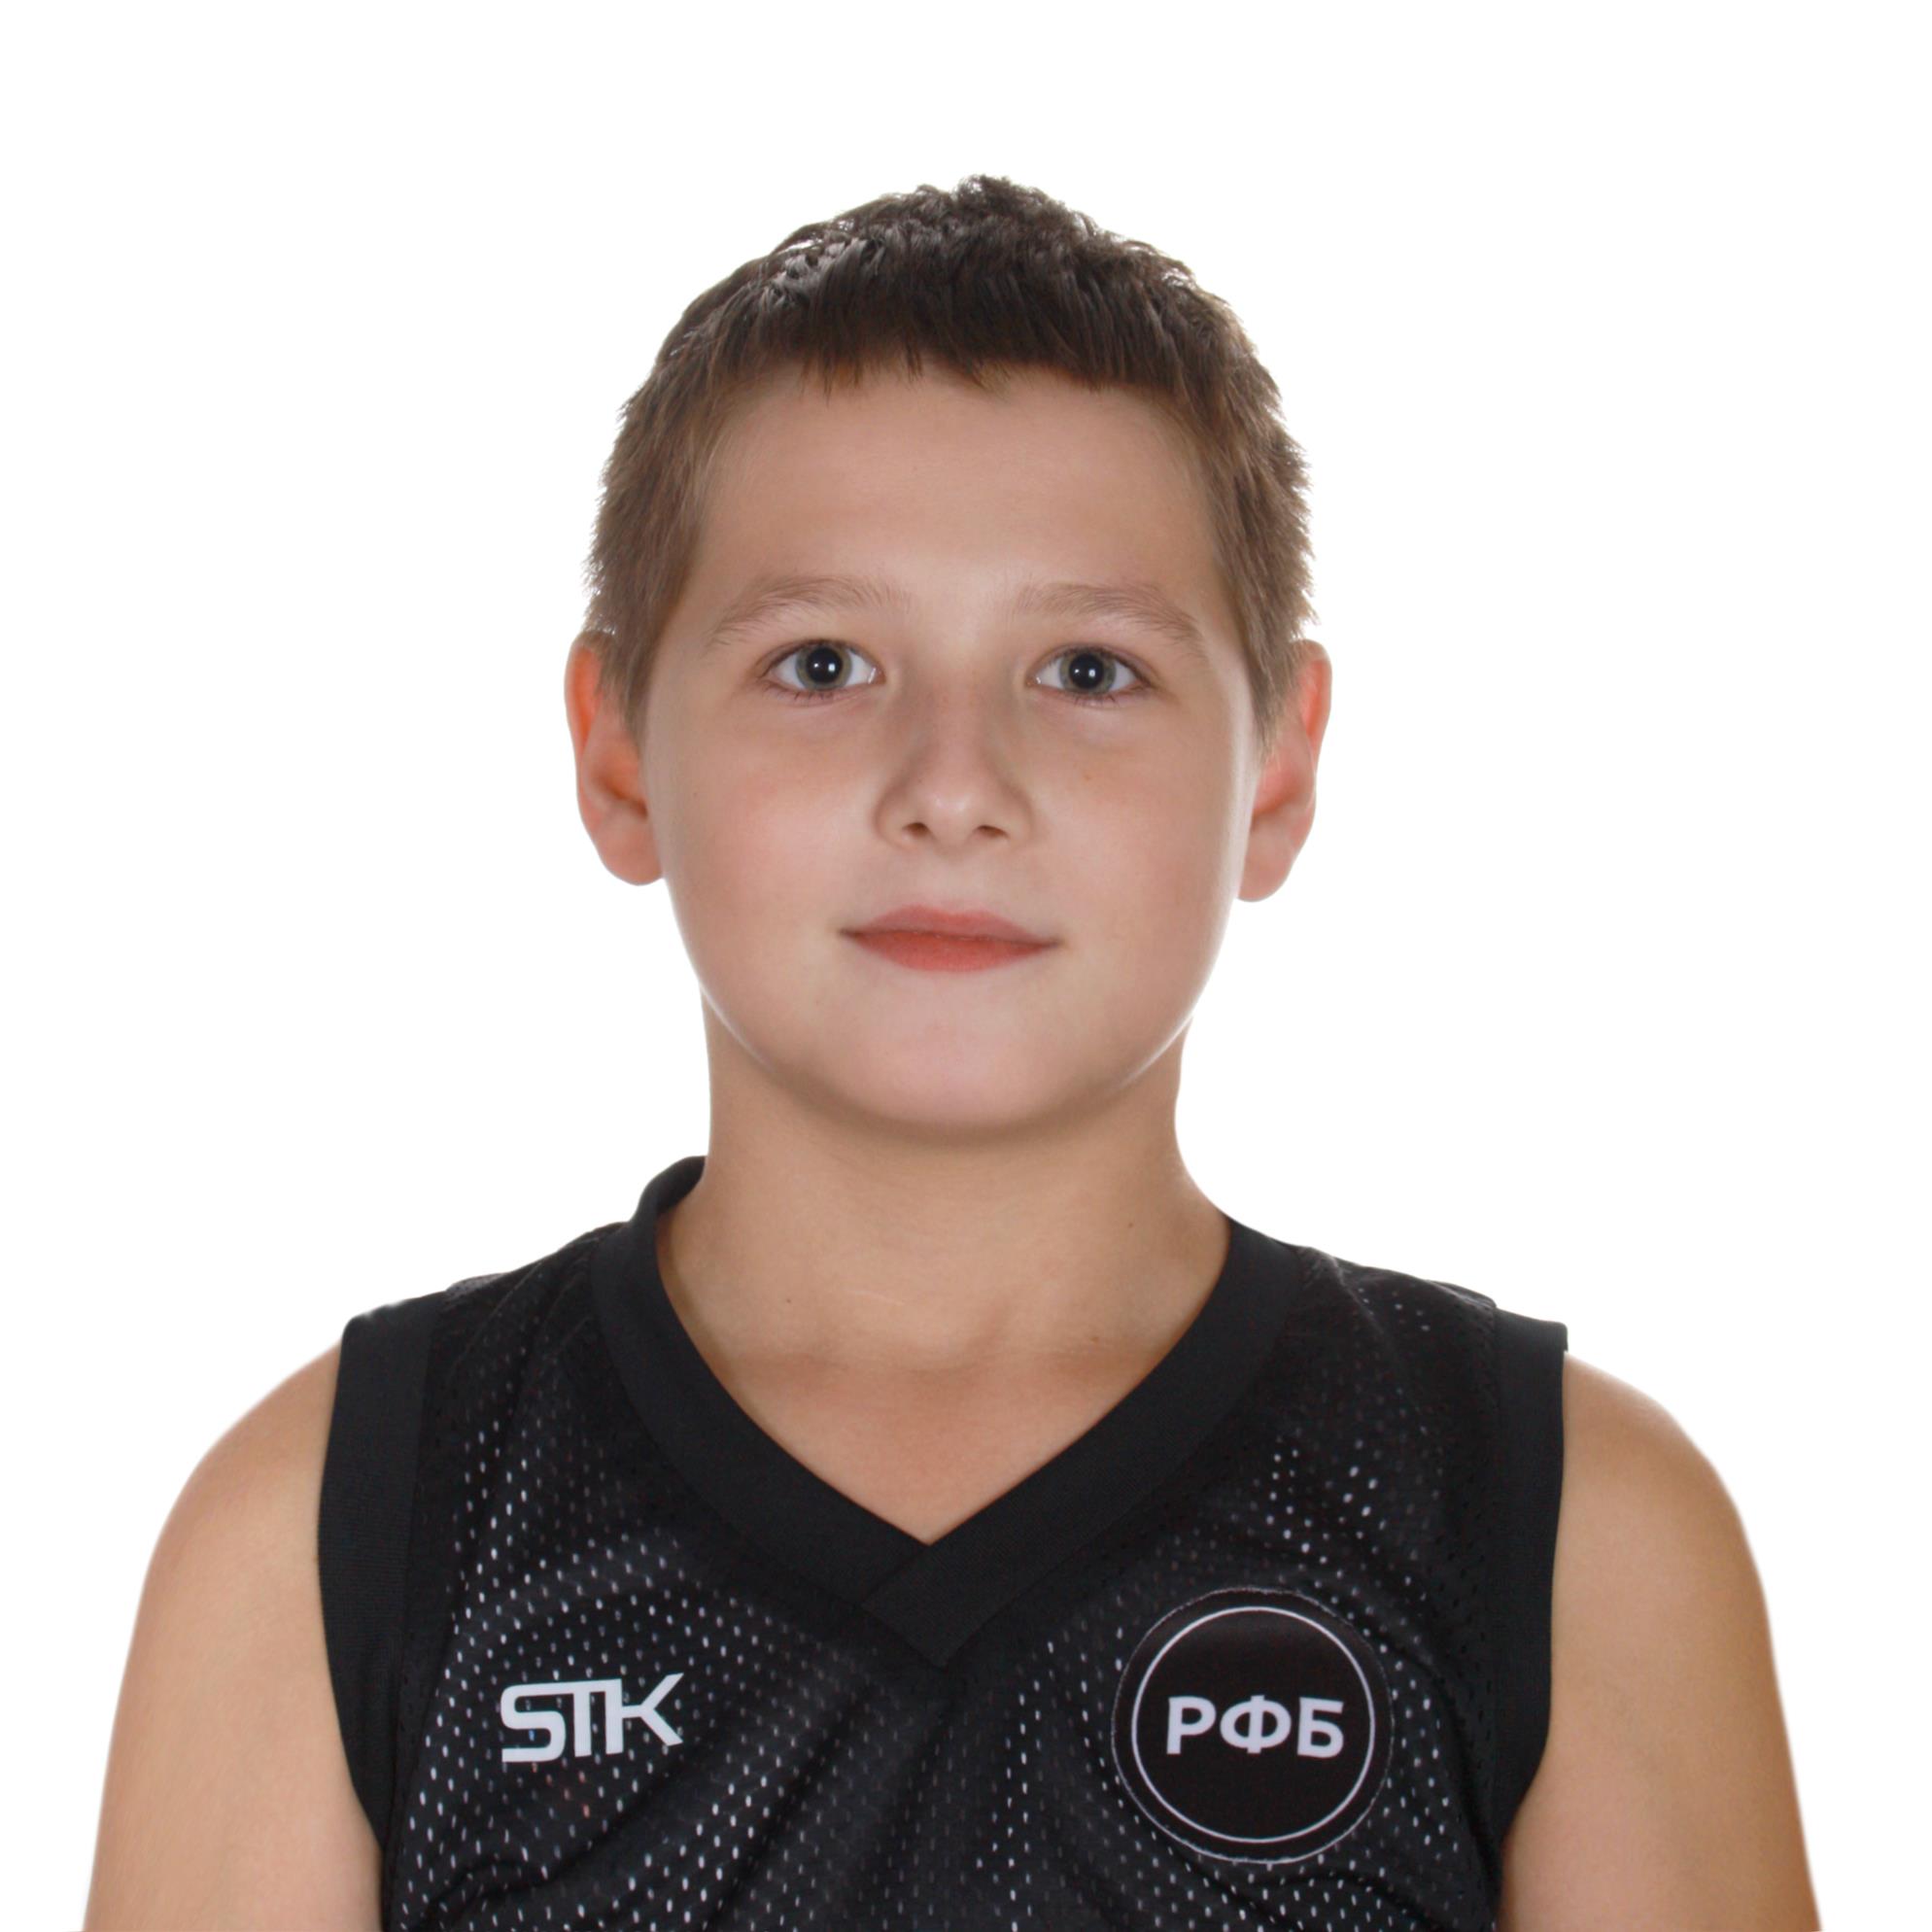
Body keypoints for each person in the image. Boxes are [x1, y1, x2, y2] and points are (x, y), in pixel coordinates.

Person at [83, 175, 1819, 1931]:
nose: (955, 789)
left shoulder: (1559, 1530)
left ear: (1277, 772)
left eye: (1089, 671)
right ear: (617, 754)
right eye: (824, 662)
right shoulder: (343, 1528)